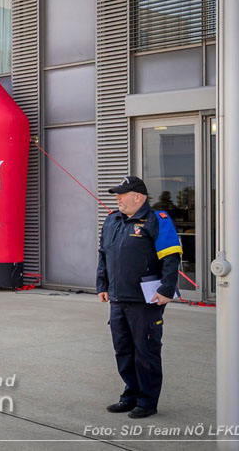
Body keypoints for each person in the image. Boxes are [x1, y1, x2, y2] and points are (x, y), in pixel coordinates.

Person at [96, 175, 181, 419]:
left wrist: (166, 289)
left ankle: (147, 401)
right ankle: (130, 396)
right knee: (123, 350)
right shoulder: (112, 220)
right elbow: (104, 255)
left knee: (146, 351)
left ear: (138, 196)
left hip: (146, 299)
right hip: (118, 298)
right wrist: (102, 284)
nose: (118, 199)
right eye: (117, 195)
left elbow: (171, 256)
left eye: (122, 194)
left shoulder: (157, 220)